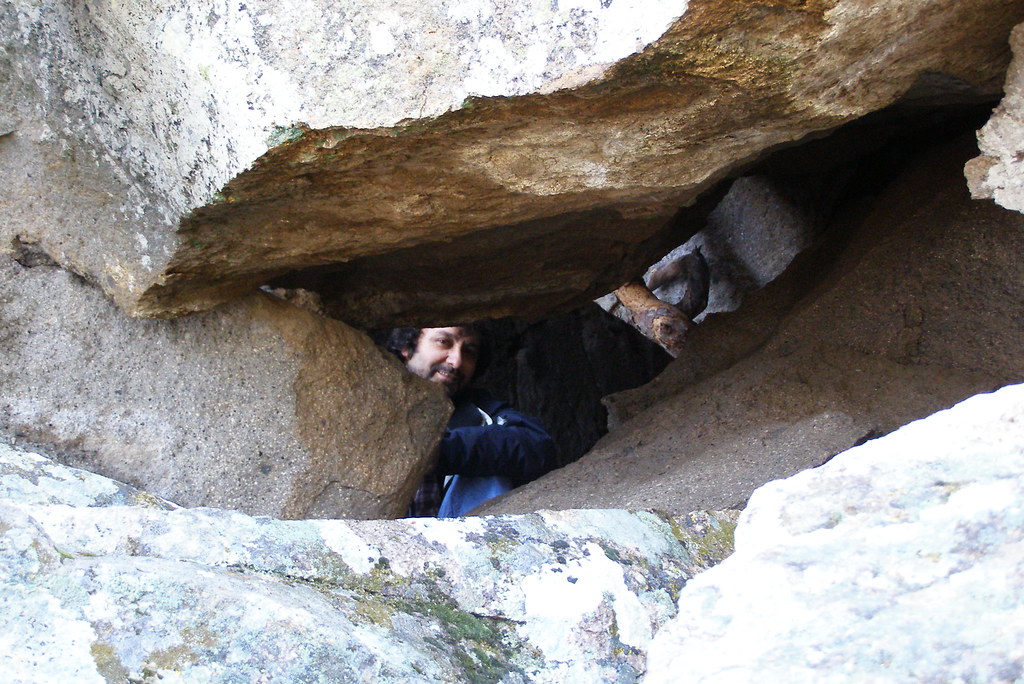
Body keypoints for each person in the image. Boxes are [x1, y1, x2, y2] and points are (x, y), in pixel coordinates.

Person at [385, 325, 557, 518]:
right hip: (370, 539)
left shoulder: (477, 411)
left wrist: (439, 450)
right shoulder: (366, 401)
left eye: (469, 352)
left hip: (454, 540)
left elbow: (537, 445)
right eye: (443, 342)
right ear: (406, 347)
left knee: (493, 461)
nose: (456, 361)